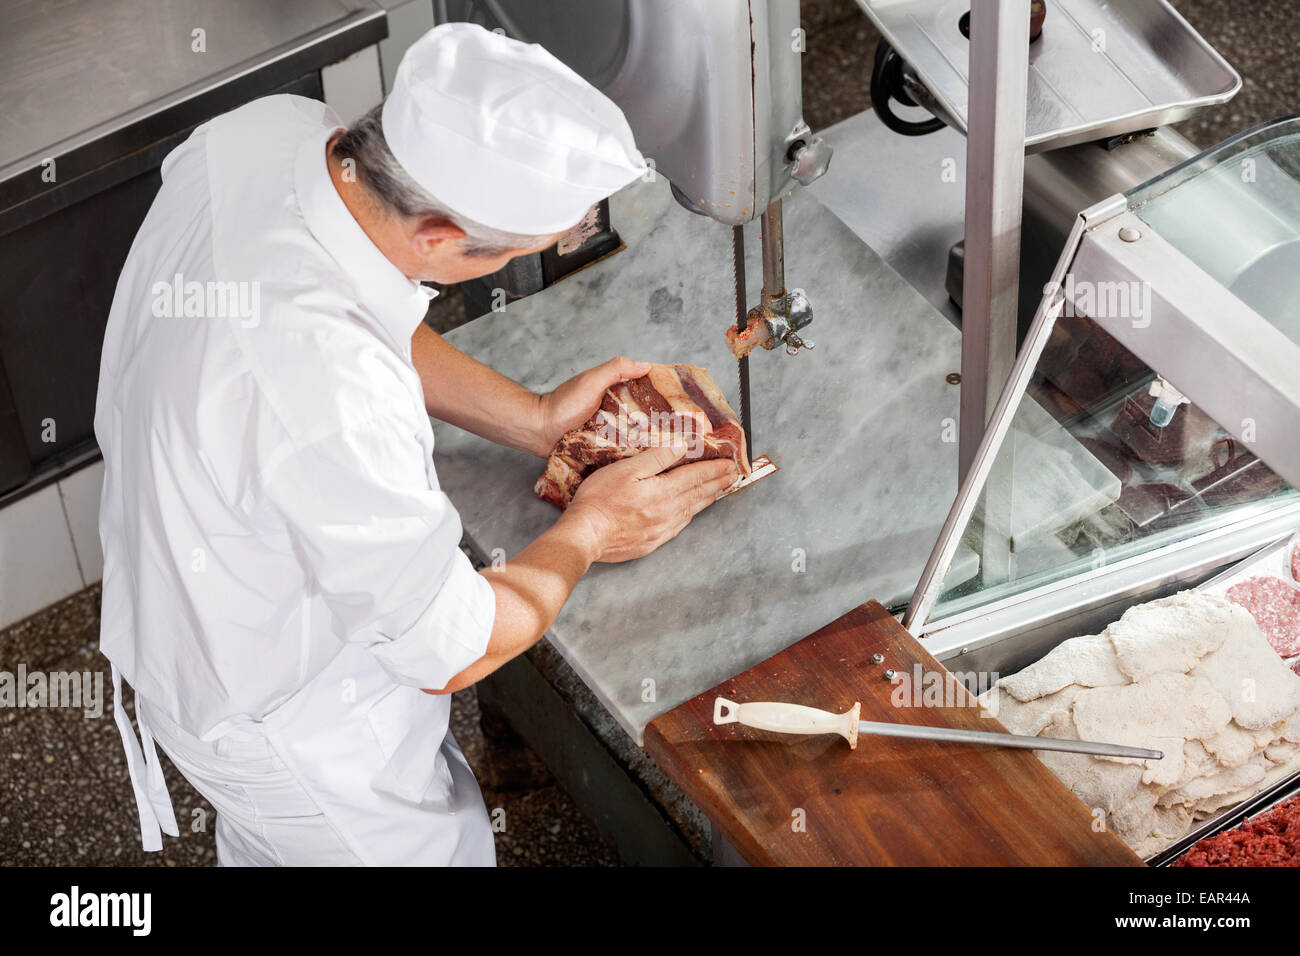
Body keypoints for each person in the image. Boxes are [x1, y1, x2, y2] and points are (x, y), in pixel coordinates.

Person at [94, 22, 738, 866]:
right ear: (436, 237)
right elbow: (454, 647)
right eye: (513, 256)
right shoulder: (327, 396)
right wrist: (592, 528)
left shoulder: (268, 133)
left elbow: (368, 301)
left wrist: (534, 415)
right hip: (292, 721)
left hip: (189, 592)